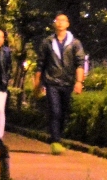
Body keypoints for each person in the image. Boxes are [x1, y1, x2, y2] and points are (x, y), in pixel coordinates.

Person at [33, 12, 86, 154]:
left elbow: (80, 63)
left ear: (68, 24)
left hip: (68, 82)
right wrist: (37, 83)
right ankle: (55, 140)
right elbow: (40, 64)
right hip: (52, 82)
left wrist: (79, 82)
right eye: (58, 20)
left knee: (63, 112)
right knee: (54, 111)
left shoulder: (75, 43)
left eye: (63, 20)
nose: (60, 22)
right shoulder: (48, 42)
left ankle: (58, 137)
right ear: (54, 23)